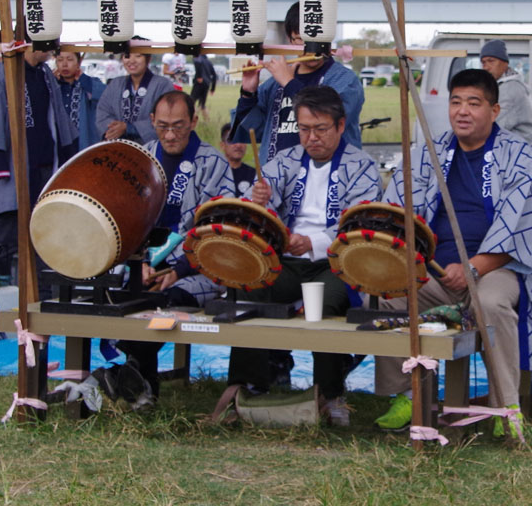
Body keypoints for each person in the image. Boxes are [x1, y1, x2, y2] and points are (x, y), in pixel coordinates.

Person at [372, 68, 532, 430]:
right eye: (456, 102)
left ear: (495, 111)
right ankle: (407, 396)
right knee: (392, 295)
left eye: (474, 103)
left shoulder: (522, 157)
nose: (463, 111)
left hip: (497, 269)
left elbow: (523, 233)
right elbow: (397, 211)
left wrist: (472, 267)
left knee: (490, 303)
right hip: (435, 270)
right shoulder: (430, 150)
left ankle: (506, 406)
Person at [228, 86, 383, 425]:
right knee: (251, 288)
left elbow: (358, 227)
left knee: (325, 304)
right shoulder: (284, 161)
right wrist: (260, 200)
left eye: (320, 129)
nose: (311, 138)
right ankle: (248, 385)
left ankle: (330, 392)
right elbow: (261, 214)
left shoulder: (362, 167)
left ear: (341, 126)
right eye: (304, 129)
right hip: (287, 261)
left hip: (338, 263)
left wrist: (311, 242)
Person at [118, 90, 236, 397]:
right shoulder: (141, 158)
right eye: (163, 126)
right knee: (120, 297)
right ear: (152, 121)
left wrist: (179, 269)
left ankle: (136, 379)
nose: (170, 135)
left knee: (164, 303)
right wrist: (141, 262)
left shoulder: (213, 163)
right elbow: (129, 218)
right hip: (145, 262)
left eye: (179, 126)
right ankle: (138, 377)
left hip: (196, 266)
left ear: (194, 121)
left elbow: (217, 228)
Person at [0, 42, 78, 280]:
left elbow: (59, 120)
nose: (53, 51)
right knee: (8, 235)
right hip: (13, 169)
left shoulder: (45, 74)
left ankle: (42, 289)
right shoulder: (0, 72)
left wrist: (68, 156)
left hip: (45, 165)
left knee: (45, 233)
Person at [230, 2, 365, 164]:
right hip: (279, 179)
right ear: (290, 40)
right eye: (301, 39)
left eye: (316, 38)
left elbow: (330, 117)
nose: (310, 47)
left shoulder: (345, 80)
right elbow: (254, 131)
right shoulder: (274, 84)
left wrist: (289, 83)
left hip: (328, 178)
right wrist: (248, 93)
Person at [96, 38, 173, 145]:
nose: (131, 61)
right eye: (127, 56)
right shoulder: (115, 84)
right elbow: (102, 112)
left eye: (138, 56)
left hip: (152, 149)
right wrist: (114, 129)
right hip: (118, 148)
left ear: (148, 58)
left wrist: (129, 128)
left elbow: (167, 118)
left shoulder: (163, 85)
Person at [479, 39, 532, 141]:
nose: (486, 67)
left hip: (516, 149)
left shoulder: (510, 88)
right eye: (483, 63)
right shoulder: (498, 86)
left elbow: (493, 125)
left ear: (505, 63)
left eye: (491, 61)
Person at [54, 50, 106, 150]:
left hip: (82, 141)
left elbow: (105, 96)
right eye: (60, 60)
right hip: (59, 143)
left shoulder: (89, 82)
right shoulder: (53, 85)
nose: (64, 64)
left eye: (70, 59)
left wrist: (83, 78)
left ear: (79, 62)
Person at [220, 122, 255, 198]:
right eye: (232, 140)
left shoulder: (253, 174)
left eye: (242, 140)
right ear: (222, 145)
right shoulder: (214, 173)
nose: (238, 145)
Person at [190, 53, 217, 121]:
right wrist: (212, 88)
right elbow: (214, 75)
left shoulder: (198, 58)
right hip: (207, 84)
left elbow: (197, 63)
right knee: (202, 104)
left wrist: (199, 77)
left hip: (199, 83)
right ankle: (207, 120)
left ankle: (191, 119)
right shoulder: (209, 62)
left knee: (191, 101)